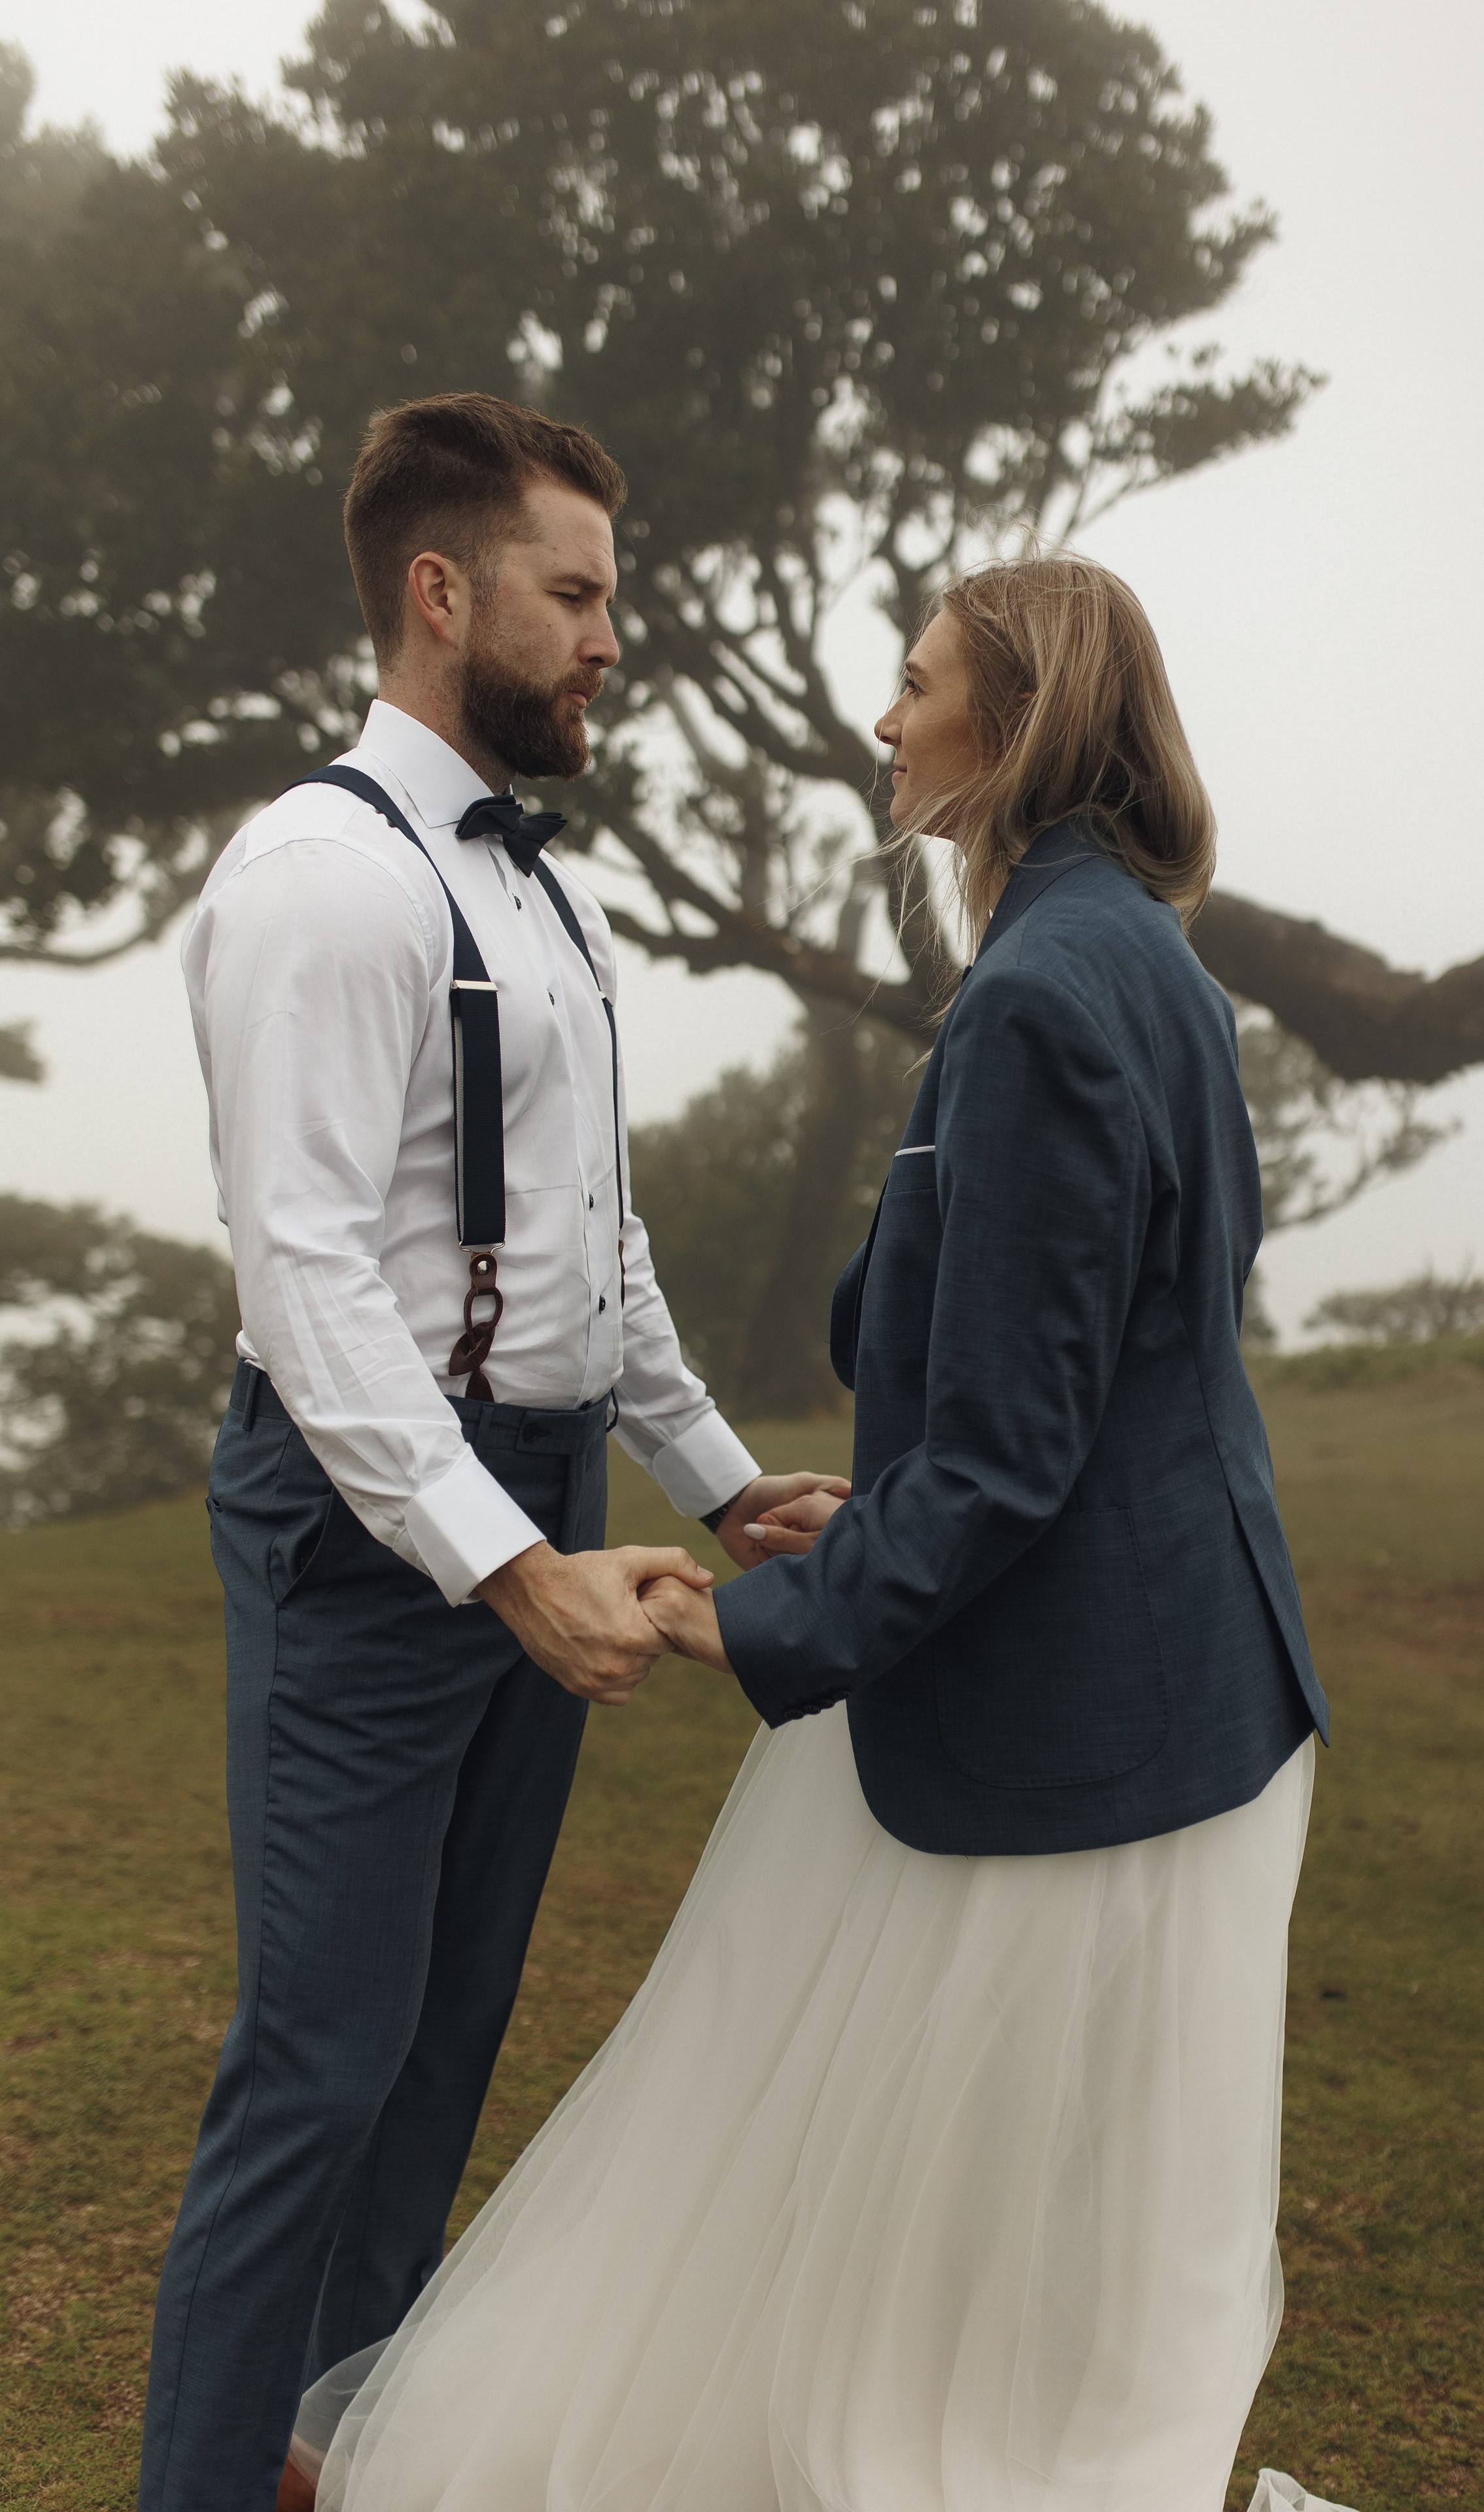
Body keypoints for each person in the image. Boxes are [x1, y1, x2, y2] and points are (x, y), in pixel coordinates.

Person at [298, 552, 1353, 2512]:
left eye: (920, 679)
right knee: (1047, 2223)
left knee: (889, 2179)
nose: (884, 717)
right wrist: (890, 1488)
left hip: (1083, 1721)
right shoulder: (1138, 957)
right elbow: (1113, 1371)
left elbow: (1028, 1448)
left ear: (1018, 720)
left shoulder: (1046, 992)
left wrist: (761, 1625)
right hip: (1186, 1676)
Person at [139, 391, 848, 2512]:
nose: (611, 636)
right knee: (320, 2066)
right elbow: (308, 1284)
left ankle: (338, 2462)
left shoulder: (552, 909)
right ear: (441, 595)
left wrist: (715, 1483)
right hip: (379, 1528)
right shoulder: (316, 884)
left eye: (609, 598)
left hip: (529, 1497)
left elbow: (588, 1257)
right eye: (576, 594)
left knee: (441, 2060)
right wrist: (496, 1557)